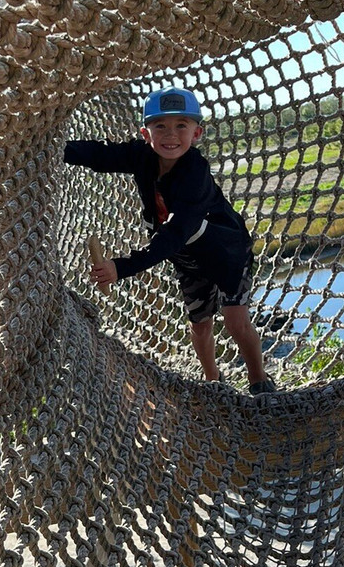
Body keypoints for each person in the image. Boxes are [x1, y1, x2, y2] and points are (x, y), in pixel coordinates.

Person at [64, 86, 277, 395]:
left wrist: (120, 267)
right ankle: (213, 382)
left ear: (197, 133)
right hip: (188, 258)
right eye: (160, 126)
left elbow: (174, 234)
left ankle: (259, 381)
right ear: (146, 133)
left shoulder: (194, 174)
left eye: (181, 125)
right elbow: (101, 155)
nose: (171, 135)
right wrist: (57, 149)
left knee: (235, 321)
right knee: (200, 323)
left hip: (225, 253)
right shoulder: (142, 156)